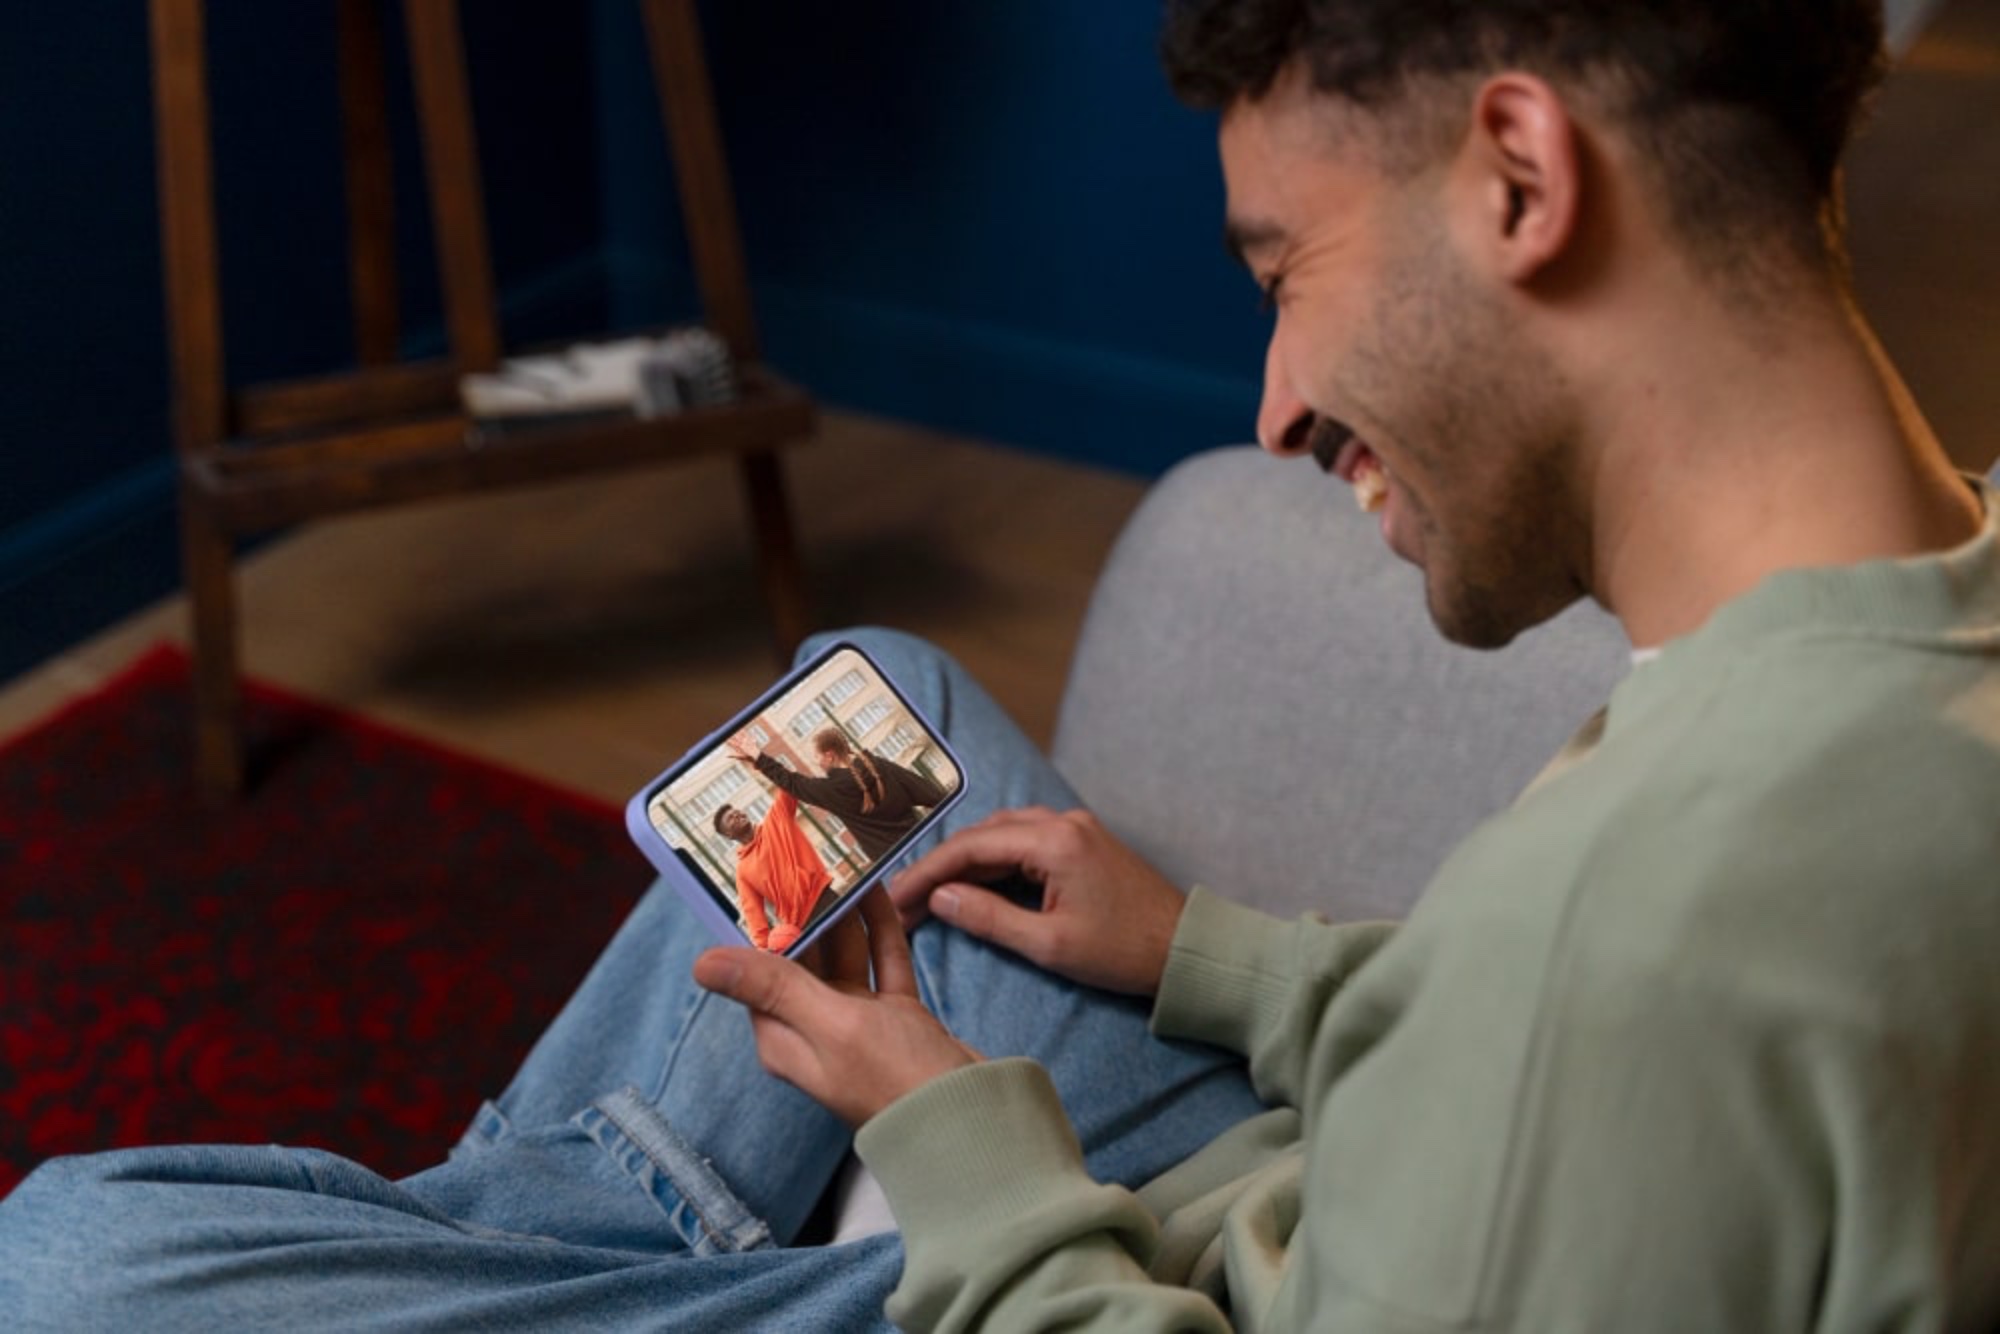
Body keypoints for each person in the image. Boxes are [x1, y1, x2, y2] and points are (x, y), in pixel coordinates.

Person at [1, 2, 1995, 1330]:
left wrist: (955, 1142)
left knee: (72, 1261)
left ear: (1520, 180)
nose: (1275, 404)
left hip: (1128, 1279)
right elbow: (1513, 1048)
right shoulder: (1918, 599)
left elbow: (1570, 1024)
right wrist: (1216, 952)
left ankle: (553, 1243)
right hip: (1298, 1172)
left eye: (1283, 271)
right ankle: (571, 1233)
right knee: (883, 707)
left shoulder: (1640, 941)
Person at [728, 728, 948, 862]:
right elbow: (932, 795)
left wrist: (757, 755)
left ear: (829, 755)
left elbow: (792, 782)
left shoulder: (832, 790)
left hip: (897, 866)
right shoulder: (879, 766)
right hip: (930, 845)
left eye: (816, 757)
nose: (816, 762)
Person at [712, 794, 836, 953]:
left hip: (824, 898)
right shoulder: (742, 872)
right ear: (729, 835)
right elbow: (753, 914)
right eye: (730, 818)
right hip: (801, 924)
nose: (736, 814)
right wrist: (763, 949)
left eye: (737, 811)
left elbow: (786, 790)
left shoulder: (776, 820)